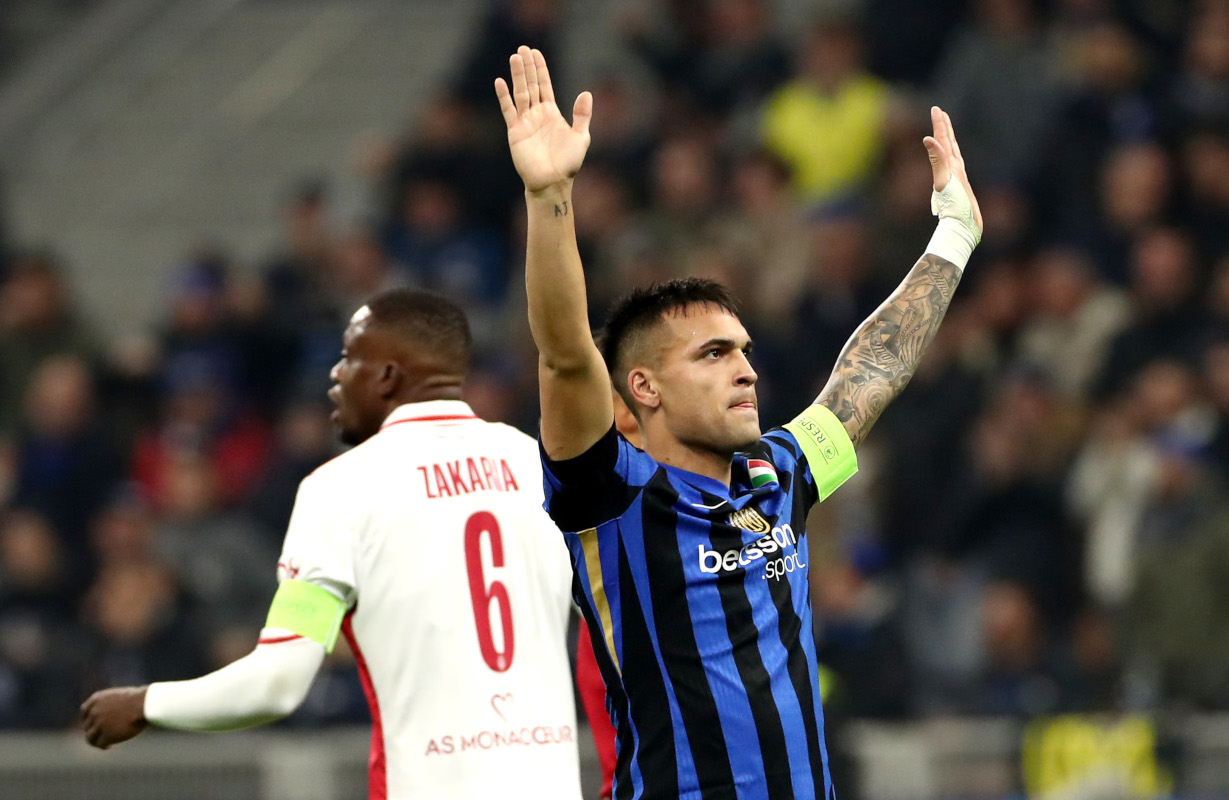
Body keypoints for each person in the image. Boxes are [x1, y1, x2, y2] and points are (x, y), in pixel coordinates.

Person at [495, 46, 982, 799]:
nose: (746, 369)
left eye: (744, 350)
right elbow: (564, 355)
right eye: (714, 354)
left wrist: (953, 236)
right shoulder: (614, 497)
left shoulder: (778, 473)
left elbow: (870, 373)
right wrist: (550, 196)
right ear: (643, 388)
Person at [81, 289, 586, 800]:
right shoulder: (538, 467)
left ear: (387, 375)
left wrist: (146, 703)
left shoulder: (340, 490)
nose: (335, 375)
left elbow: (278, 682)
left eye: (349, 357)